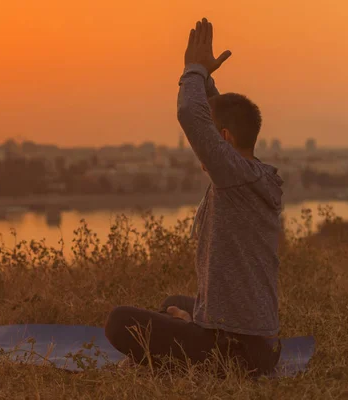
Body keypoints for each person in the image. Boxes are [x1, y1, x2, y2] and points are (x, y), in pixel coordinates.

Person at [104, 17, 284, 376]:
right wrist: (208, 82)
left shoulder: (235, 178)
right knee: (174, 303)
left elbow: (192, 115)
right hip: (258, 342)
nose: (206, 150)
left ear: (226, 140)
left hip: (240, 351)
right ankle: (191, 331)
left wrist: (194, 70)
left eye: (215, 142)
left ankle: (184, 350)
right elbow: (216, 116)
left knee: (118, 321)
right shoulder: (250, 176)